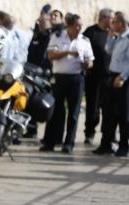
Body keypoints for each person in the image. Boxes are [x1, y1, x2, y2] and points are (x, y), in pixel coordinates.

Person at [40, 14, 94, 153]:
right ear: (69, 26)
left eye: (81, 25)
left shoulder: (84, 40)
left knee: (74, 113)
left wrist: (87, 64)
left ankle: (68, 144)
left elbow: (90, 61)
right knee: (55, 112)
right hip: (59, 78)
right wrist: (68, 52)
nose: (79, 28)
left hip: (76, 79)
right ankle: (50, 142)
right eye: (77, 25)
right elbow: (51, 55)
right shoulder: (57, 36)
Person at [94, 12, 129, 156]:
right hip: (112, 76)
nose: (111, 24)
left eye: (114, 22)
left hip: (123, 79)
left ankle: (123, 145)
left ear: (121, 23)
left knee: (123, 114)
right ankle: (106, 144)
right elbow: (107, 49)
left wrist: (122, 77)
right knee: (109, 112)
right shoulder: (117, 37)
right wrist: (110, 36)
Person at [83, 9, 113, 145]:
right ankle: (89, 132)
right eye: (111, 19)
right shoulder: (90, 32)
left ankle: (107, 136)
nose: (112, 22)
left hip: (109, 77)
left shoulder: (113, 34)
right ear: (104, 18)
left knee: (108, 108)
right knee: (92, 107)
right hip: (93, 77)